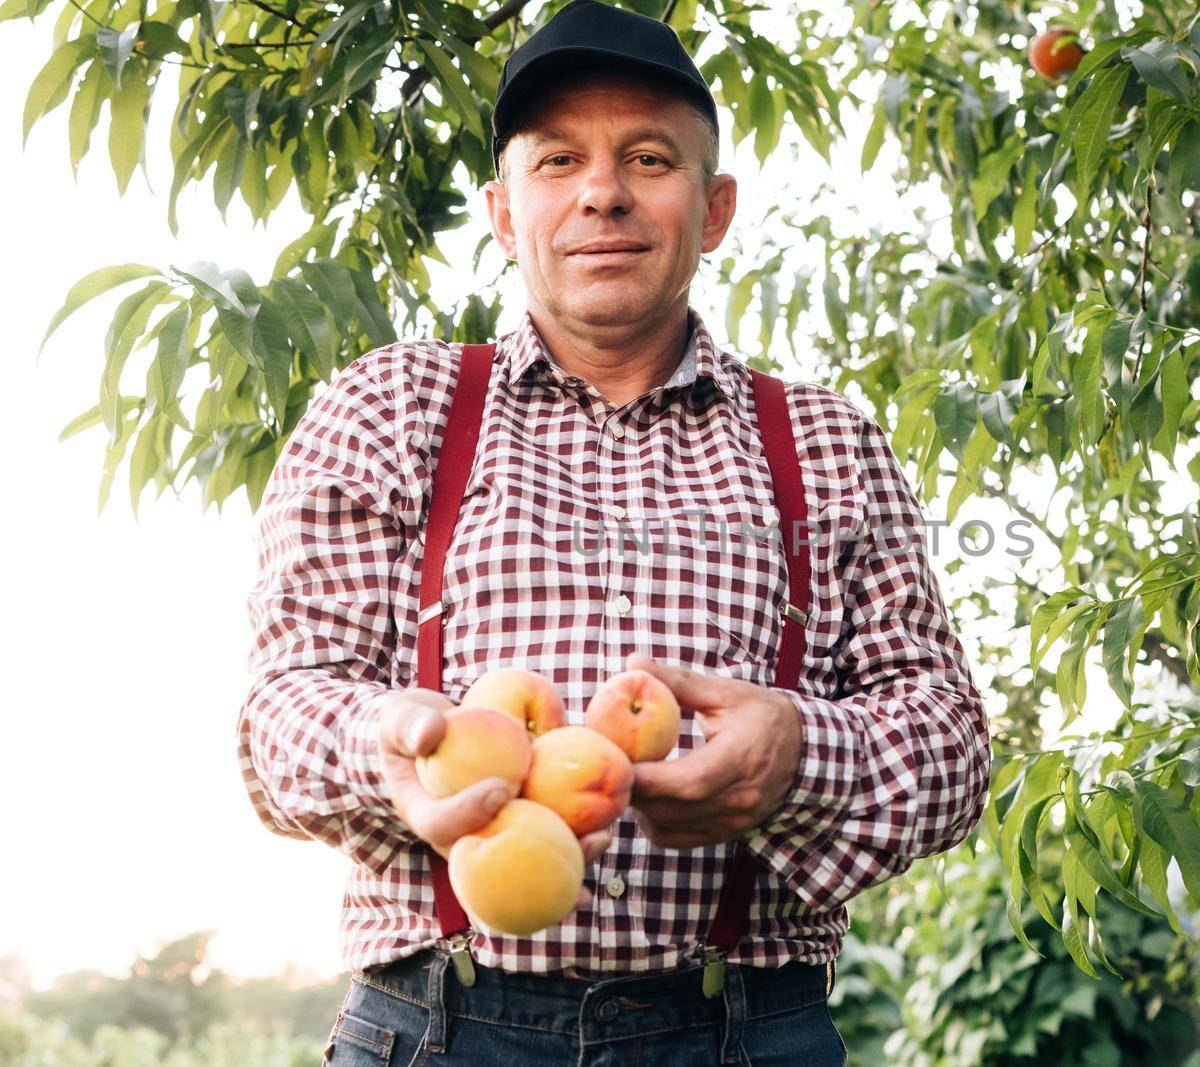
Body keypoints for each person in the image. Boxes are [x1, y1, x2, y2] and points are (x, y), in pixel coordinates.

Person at [235, 1, 991, 1062]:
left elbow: (951, 740)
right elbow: (279, 715)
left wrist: (801, 756)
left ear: (714, 207)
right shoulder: (390, 410)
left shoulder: (822, 441)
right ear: (503, 212)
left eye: (647, 157)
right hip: (442, 1023)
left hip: (746, 1026)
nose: (602, 191)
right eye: (558, 161)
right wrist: (389, 749)